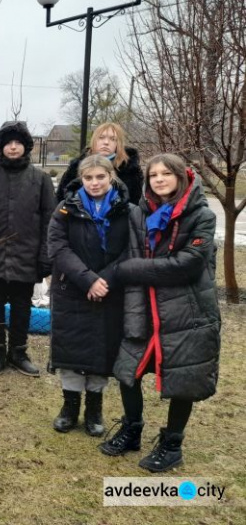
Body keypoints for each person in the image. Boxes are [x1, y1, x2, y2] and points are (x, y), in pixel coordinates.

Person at [99, 154, 220, 472]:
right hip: (143, 307)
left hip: (186, 311)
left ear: (181, 177)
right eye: (154, 175)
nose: (160, 179)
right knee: (127, 371)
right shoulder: (140, 215)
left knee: (185, 378)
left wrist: (131, 269)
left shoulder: (202, 217)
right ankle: (132, 428)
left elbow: (187, 265)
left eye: (167, 173)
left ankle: (172, 444)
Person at [47, 155, 131, 436]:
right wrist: (87, 280)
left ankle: (94, 409)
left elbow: (130, 250)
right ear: (81, 179)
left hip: (109, 291)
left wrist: (104, 280)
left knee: (101, 349)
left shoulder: (127, 210)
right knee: (71, 348)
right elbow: (57, 247)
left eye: (100, 177)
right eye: (88, 178)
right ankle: (69, 407)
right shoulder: (66, 208)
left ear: (111, 177)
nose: (94, 183)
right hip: (71, 289)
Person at [0, 121, 55, 376]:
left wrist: (45, 256)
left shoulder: (40, 179)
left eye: (18, 143)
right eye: (8, 143)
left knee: (22, 305)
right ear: (1, 146)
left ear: (26, 147)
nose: (13, 147)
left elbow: (51, 219)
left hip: (26, 255)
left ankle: (18, 351)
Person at [55, 122, 144, 205]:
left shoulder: (130, 170)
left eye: (113, 139)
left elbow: (135, 204)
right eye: (101, 137)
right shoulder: (76, 167)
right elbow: (61, 199)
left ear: (118, 144)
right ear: (94, 140)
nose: (106, 142)